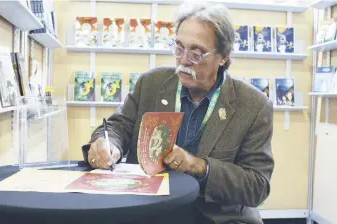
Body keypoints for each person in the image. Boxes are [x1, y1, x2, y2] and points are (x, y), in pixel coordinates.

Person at [84, 3, 274, 224]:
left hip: (218, 216)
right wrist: (108, 144)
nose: (184, 59)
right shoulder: (151, 83)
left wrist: (198, 166)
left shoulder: (253, 105)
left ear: (223, 56)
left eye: (196, 52)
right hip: (150, 210)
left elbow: (257, 186)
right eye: (179, 48)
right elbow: (117, 127)